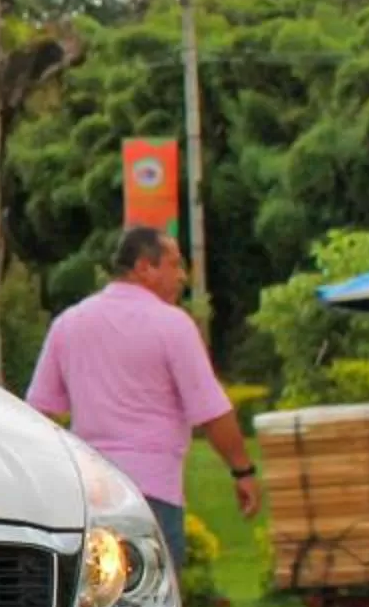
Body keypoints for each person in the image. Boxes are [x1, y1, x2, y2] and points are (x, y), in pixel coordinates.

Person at [26, 226, 259, 576]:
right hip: (152, 494)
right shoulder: (172, 326)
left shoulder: (69, 324)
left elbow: (38, 413)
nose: (181, 276)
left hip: (89, 494)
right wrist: (243, 471)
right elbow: (211, 410)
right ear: (144, 267)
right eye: (174, 265)